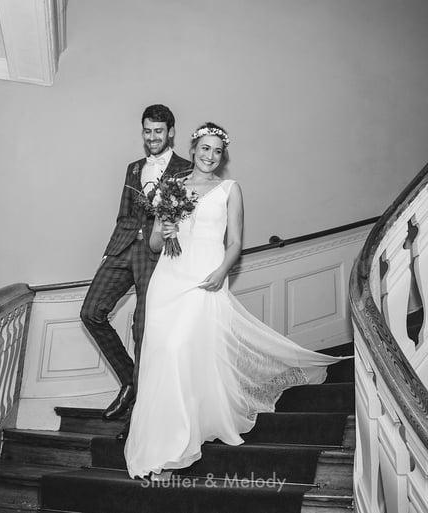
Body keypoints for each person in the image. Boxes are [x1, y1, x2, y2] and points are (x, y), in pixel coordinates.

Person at [124, 122, 348, 480]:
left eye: (217, 150)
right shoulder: (172, 187)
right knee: (162, 353)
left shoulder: (230, 189)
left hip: (205, 278)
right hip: (168, 278)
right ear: (194, 148)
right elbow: (153, 243)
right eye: (204, 148)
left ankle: (179, 443)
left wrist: (221, 272)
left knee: (183, 348)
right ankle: (159, 439)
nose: (210, 156)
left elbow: (235, 242)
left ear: (222, 155)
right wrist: (164, 232)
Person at [80, 104, 192, 436]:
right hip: (123, 247)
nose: (152, 137)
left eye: (158, 131)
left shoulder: (187, 169)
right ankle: (131, 381)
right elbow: (124, 215)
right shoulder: (133, 168)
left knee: (144, 328)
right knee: (90, 312)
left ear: (170, 132)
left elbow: (187, 218)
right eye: (147, 131)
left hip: (156, 253)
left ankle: (141, 411)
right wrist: (107, 254)